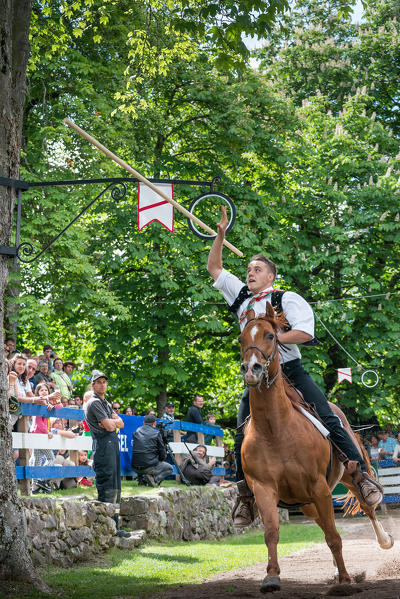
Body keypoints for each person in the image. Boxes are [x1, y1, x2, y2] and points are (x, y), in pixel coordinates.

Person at [207, 206, 383, 526]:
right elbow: (215, 268)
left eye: (257, 269)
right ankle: (246, 495)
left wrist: (277, 336)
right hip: (256, 377)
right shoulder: (242, 298)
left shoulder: (285, 299)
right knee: (239, 430)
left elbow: (306, 332)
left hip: (289, 371)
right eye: (248, 268)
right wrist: (219, 235)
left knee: (328, 416)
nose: (250, 272)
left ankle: (361, 477)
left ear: (270, 277)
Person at [84, 370, 129, 538]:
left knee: (116, 487)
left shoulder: (106, 403)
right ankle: (106, 529)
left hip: (112, 446)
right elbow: (110, 427)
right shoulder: (94, 403)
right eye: (99, 382)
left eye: (104, 381)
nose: (102, 384)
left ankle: (115, 527)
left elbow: (121, 423)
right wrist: (110, 423)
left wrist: (112, 422)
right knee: (106, 487)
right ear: (93, 385)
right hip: (103, 447)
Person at [131, 414, 174, 486]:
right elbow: (162, 453)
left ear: (144, 423)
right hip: (149, 466)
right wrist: (160, 460)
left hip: (134, 467)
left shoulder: (136, 432)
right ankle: (153, 480)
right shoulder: (156, 433)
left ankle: (142, 480)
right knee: (170, 468)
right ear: (154, 423)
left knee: (144, 458)